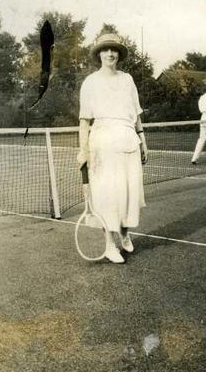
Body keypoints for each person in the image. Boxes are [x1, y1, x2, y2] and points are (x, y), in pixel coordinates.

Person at [77, 33, 148, 264]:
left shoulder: (127, 80)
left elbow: (136, 114)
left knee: (128, 194)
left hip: (128, 141)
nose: (110, 53)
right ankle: (109, 245)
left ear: (119, 54)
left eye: (114, 50)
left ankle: (125, 234)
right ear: (99, 54)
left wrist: (143, 139)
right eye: (105, 49)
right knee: (107, 197)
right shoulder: (90, 82)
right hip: (102, 146)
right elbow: (85, 122)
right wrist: (83, 150)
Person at [191, 86, 206, 164]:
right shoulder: (205, 97)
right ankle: (194, 158)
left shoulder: (202, 97)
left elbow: (202, 109)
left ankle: (194, 158)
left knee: (201, 139)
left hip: (203, 119)